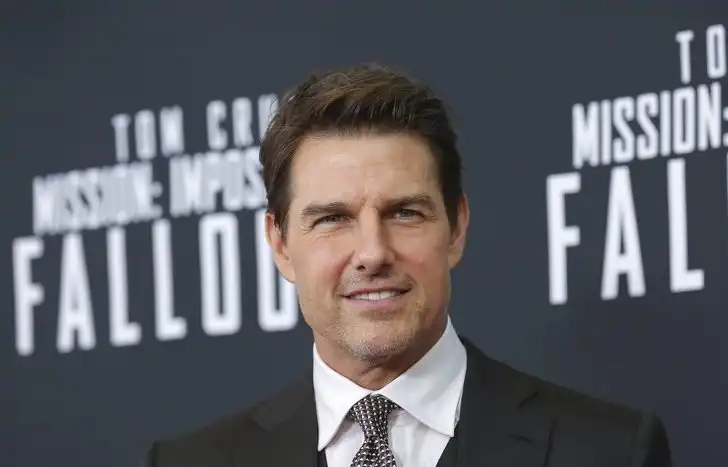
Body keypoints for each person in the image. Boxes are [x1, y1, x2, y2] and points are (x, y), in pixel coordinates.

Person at [140, 63, 672, 467]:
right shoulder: (189, 462)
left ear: (456, 228)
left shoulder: (609, 450)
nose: (373, 253)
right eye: (332, 219)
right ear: (280, 245)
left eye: (405, 213)